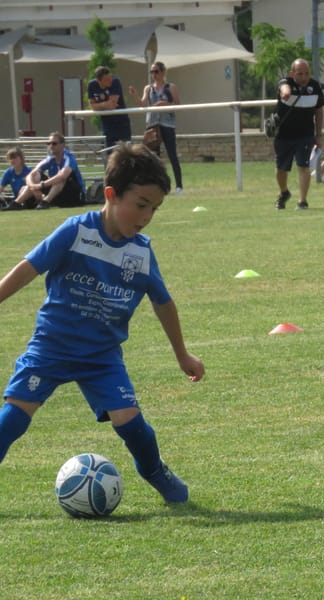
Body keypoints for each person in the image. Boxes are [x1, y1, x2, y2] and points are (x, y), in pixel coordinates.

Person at [0, 143, 204, 504]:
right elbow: (27, 269)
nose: (146, 216)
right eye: (141, 204)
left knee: (131, 423)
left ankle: (156, 471)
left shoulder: (140, 252)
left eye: (154, 209)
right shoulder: (75, 231)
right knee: (14, 417)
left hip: (101, 357)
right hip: (52, 346)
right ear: (110, 195)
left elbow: (163, 303)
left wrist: (182, 355)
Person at [274, 59, 324, 210]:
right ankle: (284, 192)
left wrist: (318, 135)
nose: (304, 77)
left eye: (306, 73)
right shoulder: (285, 82)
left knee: (303, 166)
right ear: (292, 73)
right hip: (284, 135)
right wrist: (286, 93)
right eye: (300, 74)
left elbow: (319, 111)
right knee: (281, 169)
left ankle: (302, 201)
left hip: (305, 134)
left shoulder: (314, 86)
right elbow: (284, 88)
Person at [130, 61, 184, 194]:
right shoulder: (148, 88)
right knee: (154, 158)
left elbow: (177, 104)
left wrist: (163, 104)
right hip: (152, 125)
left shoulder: (171, 87)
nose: (154, 74)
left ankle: (179, 187)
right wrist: (135, 95)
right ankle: (157, 187)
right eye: (152, 72)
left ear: (163, 72)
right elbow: (142, 105)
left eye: (156, 71)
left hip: (167, 124)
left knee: (172, 155)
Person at [2, 132, 85, 211]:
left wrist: (41, 185)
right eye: (49, 143)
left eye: (54, 143)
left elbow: (62, 176)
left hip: (74, 195)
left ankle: (45, 202)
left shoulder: (69, 158)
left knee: (60, 178)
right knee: (36, 175)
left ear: (63, 145)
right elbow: (30, 175)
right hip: (58, 195)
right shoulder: (50, 159)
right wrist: (33, 187)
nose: (51, 146)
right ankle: (16, 204)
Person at [88, 66, 132, 150]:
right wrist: (105, 104)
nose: (110, 80)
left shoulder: (115, 82)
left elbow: (112, 105)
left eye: (110, 77)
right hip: (107, 124)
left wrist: (99, 105)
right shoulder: (92, 85)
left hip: (122, 123)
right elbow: (92, 106)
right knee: (109, 153)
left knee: (126, 153)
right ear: (98, 81)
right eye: (106, 80)